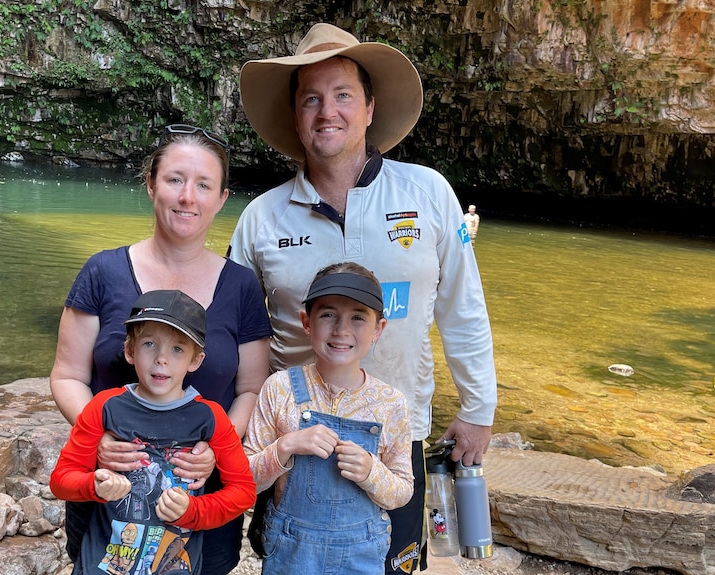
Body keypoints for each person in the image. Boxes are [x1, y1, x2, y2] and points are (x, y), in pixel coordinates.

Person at [228, 23, 497, 574]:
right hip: (293, 439)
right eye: (311, 99)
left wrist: (478, 408)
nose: (328, 111)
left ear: (370, 108)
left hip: (400, 433)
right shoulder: (261, 218)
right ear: (296, 117)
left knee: (392, 565)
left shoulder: (427, 194)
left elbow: (462, 306)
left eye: (343, 95)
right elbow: (235, 332)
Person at [50, 124, 272, 574]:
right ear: (151, 184)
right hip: (108, 493)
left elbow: (252, 388)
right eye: (175, 179)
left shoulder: (243, 286)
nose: (188, 197)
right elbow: (67, 376)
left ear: (222, 198)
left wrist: (217, 446)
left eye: (203, 185)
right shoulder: (103, 271)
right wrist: (99, 438)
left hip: (198, 498)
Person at [50, 289, 257, 575]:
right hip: (102, 564)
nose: (162, 358)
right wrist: (94, 486)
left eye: (178, 349)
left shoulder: (211, 418)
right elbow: (61, 480)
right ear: (130, 351)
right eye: (149, 344)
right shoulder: (104, 406)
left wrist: (193, 512)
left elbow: (243, 492)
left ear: (195, 360)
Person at [243, 262, 414, 575]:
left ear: (379, 329)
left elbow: (402, 492)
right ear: (307, 322)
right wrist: (284, 447)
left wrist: (371, 472)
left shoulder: (391, 404)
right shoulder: (279, 389)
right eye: (328, 314)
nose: (341, 330)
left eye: (358, 317)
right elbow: (245, 480)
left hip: (361, 553)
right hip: (290, 548)